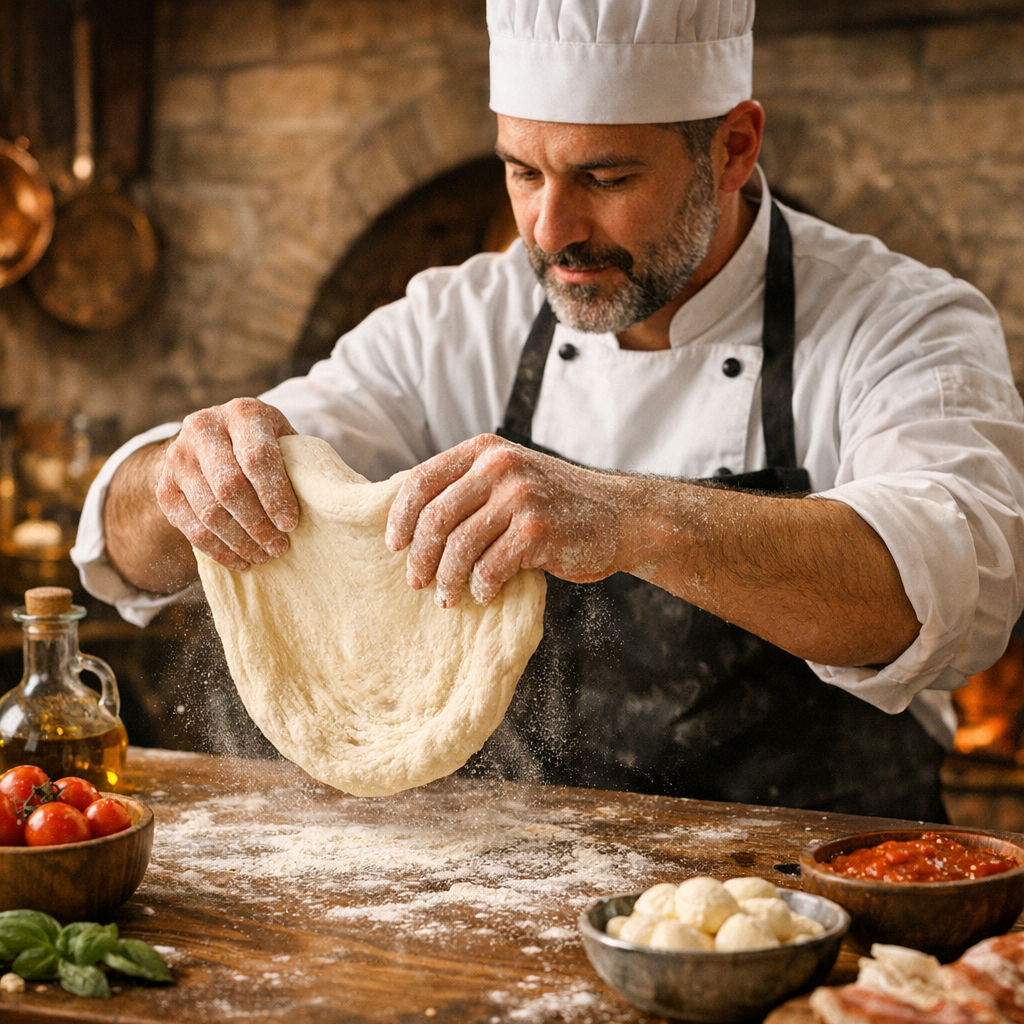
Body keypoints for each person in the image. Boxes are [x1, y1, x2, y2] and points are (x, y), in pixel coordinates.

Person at [72, 0, 1024, 821]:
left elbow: (949, 587)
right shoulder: (460, 318)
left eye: (606, 179)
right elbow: (127, 548)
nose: (550, 230)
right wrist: (188, 474)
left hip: (819, 908)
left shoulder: (903, 321)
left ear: (733, 148)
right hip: (523, 897)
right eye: (523, 171)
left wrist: (631, 517)